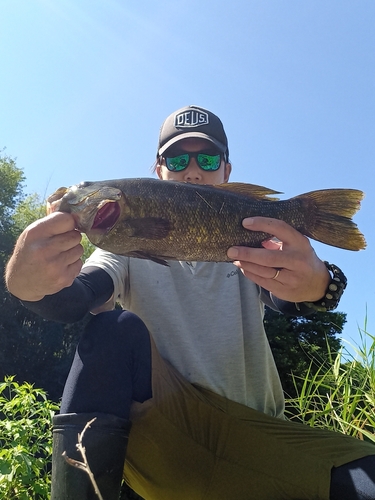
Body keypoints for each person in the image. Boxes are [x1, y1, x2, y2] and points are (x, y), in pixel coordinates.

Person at [5, 105, 375, 500]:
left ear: (227, 173)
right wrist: (29, 284)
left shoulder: (254, 247)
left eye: (209, 159)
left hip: (260, 437)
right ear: (159, 170)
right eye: (178, 159)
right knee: (112, 329)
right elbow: (78, 296)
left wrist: (322, 283)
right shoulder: (124, 249)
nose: (193, 170)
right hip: (168, 434)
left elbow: (287, 298)